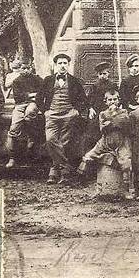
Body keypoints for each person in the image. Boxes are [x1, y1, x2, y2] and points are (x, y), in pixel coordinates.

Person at [36, 53, 88, 184]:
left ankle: (54, 172)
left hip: (68, 115)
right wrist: (45, 111)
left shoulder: (74, 81)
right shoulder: (48, 80)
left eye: (65, 63)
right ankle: (65, 170)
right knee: (51, 140)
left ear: (68, 65)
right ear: (55, 65)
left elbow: (84, 100)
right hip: (52, 114)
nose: (63, 66)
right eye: (60, 63)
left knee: (64, 143)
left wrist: (76, 111)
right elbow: (38, 98)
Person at [78, 86, 132, 198]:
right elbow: (103, 128)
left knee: (126, 162)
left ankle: (126, 190)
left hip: (120, 141)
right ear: (105, 101)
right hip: (105, 141)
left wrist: (112, 120)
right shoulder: (102, 113)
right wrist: (112, 123)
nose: (112, 102)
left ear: (119, 100)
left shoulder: (124, 111)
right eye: (110, 100)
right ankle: (96, 186)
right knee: (89, 155)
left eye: (115, 99)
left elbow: (124, 123)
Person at [6, 59, 44, 169]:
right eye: (24, 68)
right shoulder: (17, 81)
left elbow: (42, 93)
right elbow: (18, 96)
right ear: (20, 69)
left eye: (28, 68)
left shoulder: (37, 79)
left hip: (33, 103)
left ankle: (32, 139)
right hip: (20, 105)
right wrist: (31, 94)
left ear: (32, 67)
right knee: (14, 128)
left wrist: (31, 96)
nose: (26, 70)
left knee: (30, 113)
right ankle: (12, 157)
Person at [86, 61, 114, 146]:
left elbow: (116, 99)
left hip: (109, 111)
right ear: (98, 75)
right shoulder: (94, 86)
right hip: (97, 111)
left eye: (104, 73)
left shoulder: (113, 85)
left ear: (108, 73)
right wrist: (90, 109)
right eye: (100, 74)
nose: (102, 76)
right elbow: (89, 100)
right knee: (93, 131)